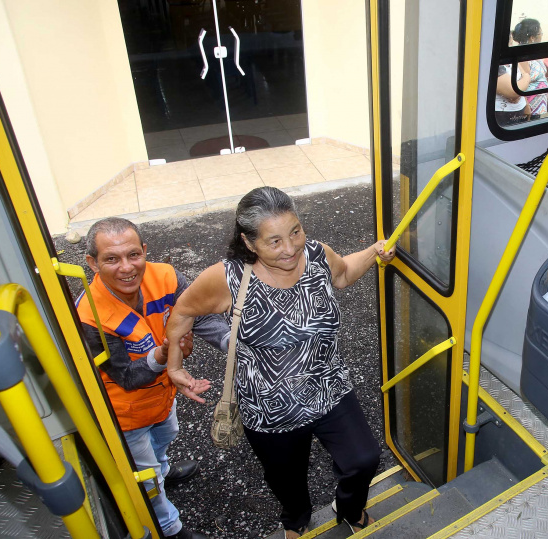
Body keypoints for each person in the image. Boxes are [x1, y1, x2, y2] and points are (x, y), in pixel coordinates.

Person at [164, 187, 395, 539]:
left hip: (328, 388)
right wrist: (174, 366)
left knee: (363, 459)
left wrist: (376, 251)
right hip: (269, 408)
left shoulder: (317, 254)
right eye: (274, 241)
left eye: (295, 232)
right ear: (249, 242)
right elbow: (182, 311)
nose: (290, 248)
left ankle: (349, 507)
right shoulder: (227, 277)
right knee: (286, 479)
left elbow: (344, 273)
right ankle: (296, 520)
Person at [76, 217, 230, 539]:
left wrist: (232, 344)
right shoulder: (89, 315)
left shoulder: (166, 277)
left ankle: (163, 469)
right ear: (92, 263)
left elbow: (198, 315)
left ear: (145, 250)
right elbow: (126, 377)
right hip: (126, 415)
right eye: (111, 259)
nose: (126, 267)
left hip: (163, 395)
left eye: (133, 254)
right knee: (146, 480)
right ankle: (169, 528)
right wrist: (165, 356)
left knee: (166, 436)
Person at [512, 18, 548, 119]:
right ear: (532, 37)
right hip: (529, 109)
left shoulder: (532, 53)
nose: (541, 36)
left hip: (536, 107)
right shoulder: (523, 55)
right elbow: (522, 83)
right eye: (540, 33)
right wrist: (526, 105)